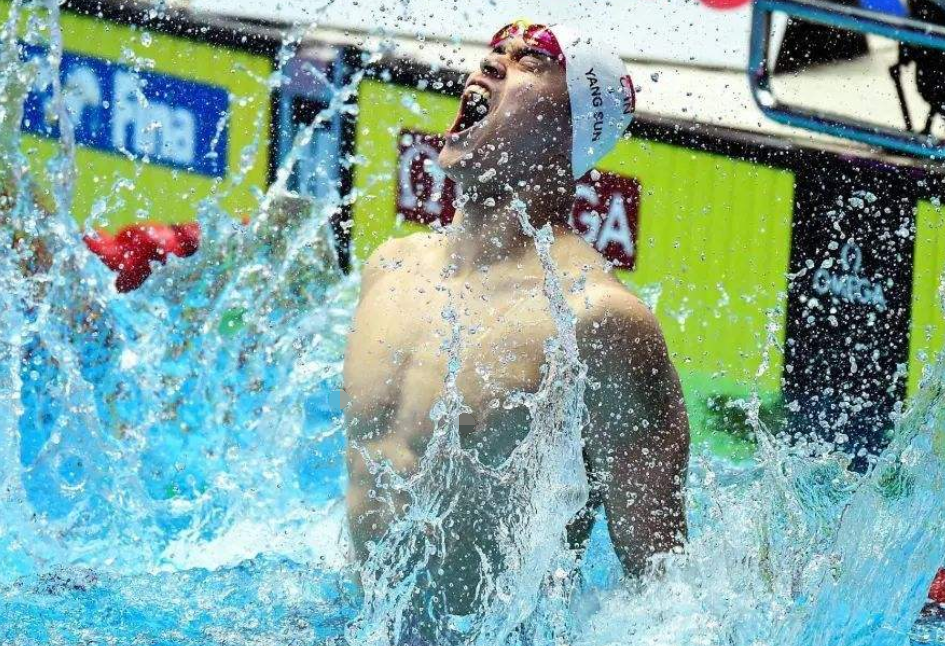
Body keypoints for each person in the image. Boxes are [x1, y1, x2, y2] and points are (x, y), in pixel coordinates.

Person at [343, 20, 689, 641]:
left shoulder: (598, 320)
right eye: (495, 52)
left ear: (572, 128)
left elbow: (664, 590)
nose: (490, 66)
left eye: (530, 62)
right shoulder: (391, 267)